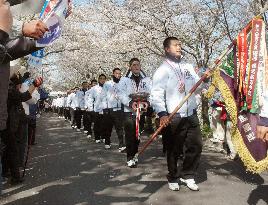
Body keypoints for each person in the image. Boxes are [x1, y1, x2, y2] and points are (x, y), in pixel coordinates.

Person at [151, 37, 210, 191]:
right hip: (173, 114)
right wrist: (162, 113)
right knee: (174, 148)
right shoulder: (162, 70)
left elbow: (197, 87)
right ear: (167, 49)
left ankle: (188, 174)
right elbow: (156, 94)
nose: (179, 47)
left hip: (190, 113)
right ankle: (173, 175)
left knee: (196, 145)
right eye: (175, 45)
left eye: (180, 45)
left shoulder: (188, 67)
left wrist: (204, 80)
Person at [118, 58, 152, 167]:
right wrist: (130, 102)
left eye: (138, 65)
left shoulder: (146, 80)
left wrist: (148, 103)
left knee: (137, 135)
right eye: (134, 65)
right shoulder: (124, 80)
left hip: (141, 111)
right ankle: (130, 157)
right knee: (130, 135)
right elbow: (120, 94)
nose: (136, 67)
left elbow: (152, 93)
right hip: (129, 112)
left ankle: (135, 154)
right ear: (130, 67)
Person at [98, 68, 126, 151]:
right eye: (116, 73)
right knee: (108, 127)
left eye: (119, 73)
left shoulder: (122, 84)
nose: (118, 75)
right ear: (113, 74)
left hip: (119, 109)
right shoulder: (107, 84)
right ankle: (107, 142)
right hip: (109, 109)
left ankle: (121, 144)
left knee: (119, 128)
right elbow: (103, 97)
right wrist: (105, 108)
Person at [87, 75, 106, 143]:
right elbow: (90, 99)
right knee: (97, 124)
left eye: (104, 79)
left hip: (105, 109)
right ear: (98, 80)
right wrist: (91, 108)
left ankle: (104, 137)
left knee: (104, 124)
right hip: (97, 109)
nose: (102, 80)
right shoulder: (94, 88)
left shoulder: (107, 88)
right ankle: (97, 137)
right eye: (101, 79)